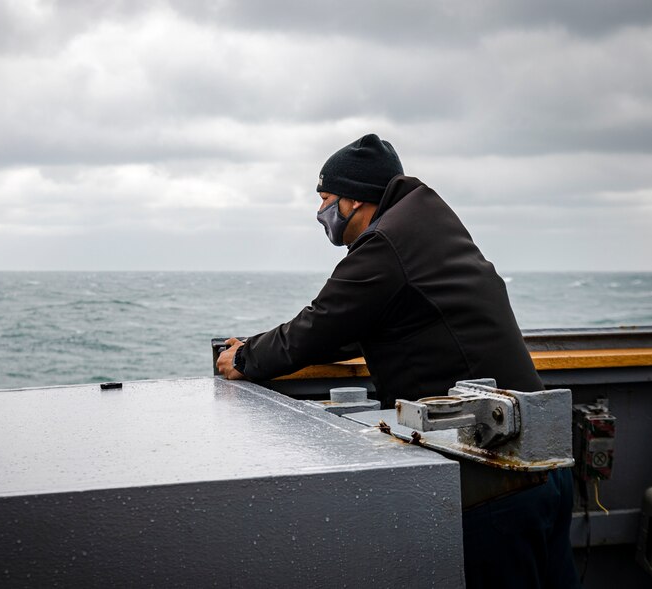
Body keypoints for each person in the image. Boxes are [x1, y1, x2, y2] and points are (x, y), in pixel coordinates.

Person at [216, 133, 579, 588]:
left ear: (354, 199)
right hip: (542, 464)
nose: (320, 211)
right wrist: (258, 344)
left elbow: (320, 324)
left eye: (325, 197)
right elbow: (355, 324)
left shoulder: (386, 243)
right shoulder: (425, 223)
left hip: (495, 478)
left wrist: (245, 358)